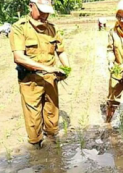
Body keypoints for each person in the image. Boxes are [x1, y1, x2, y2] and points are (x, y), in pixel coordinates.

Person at [9, 0, 69, 148]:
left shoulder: (52, 29)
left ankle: (53, 144)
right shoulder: (19, 28)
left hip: (50, 79)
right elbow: (18, 57)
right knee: (33, 120)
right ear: (31, 6)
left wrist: (66, 67)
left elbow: (60, 50)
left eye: (47, 12)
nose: (45, 15)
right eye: (41, 11)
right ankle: (36, 151)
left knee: (52, 115)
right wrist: (45, 68)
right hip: (30, 80)